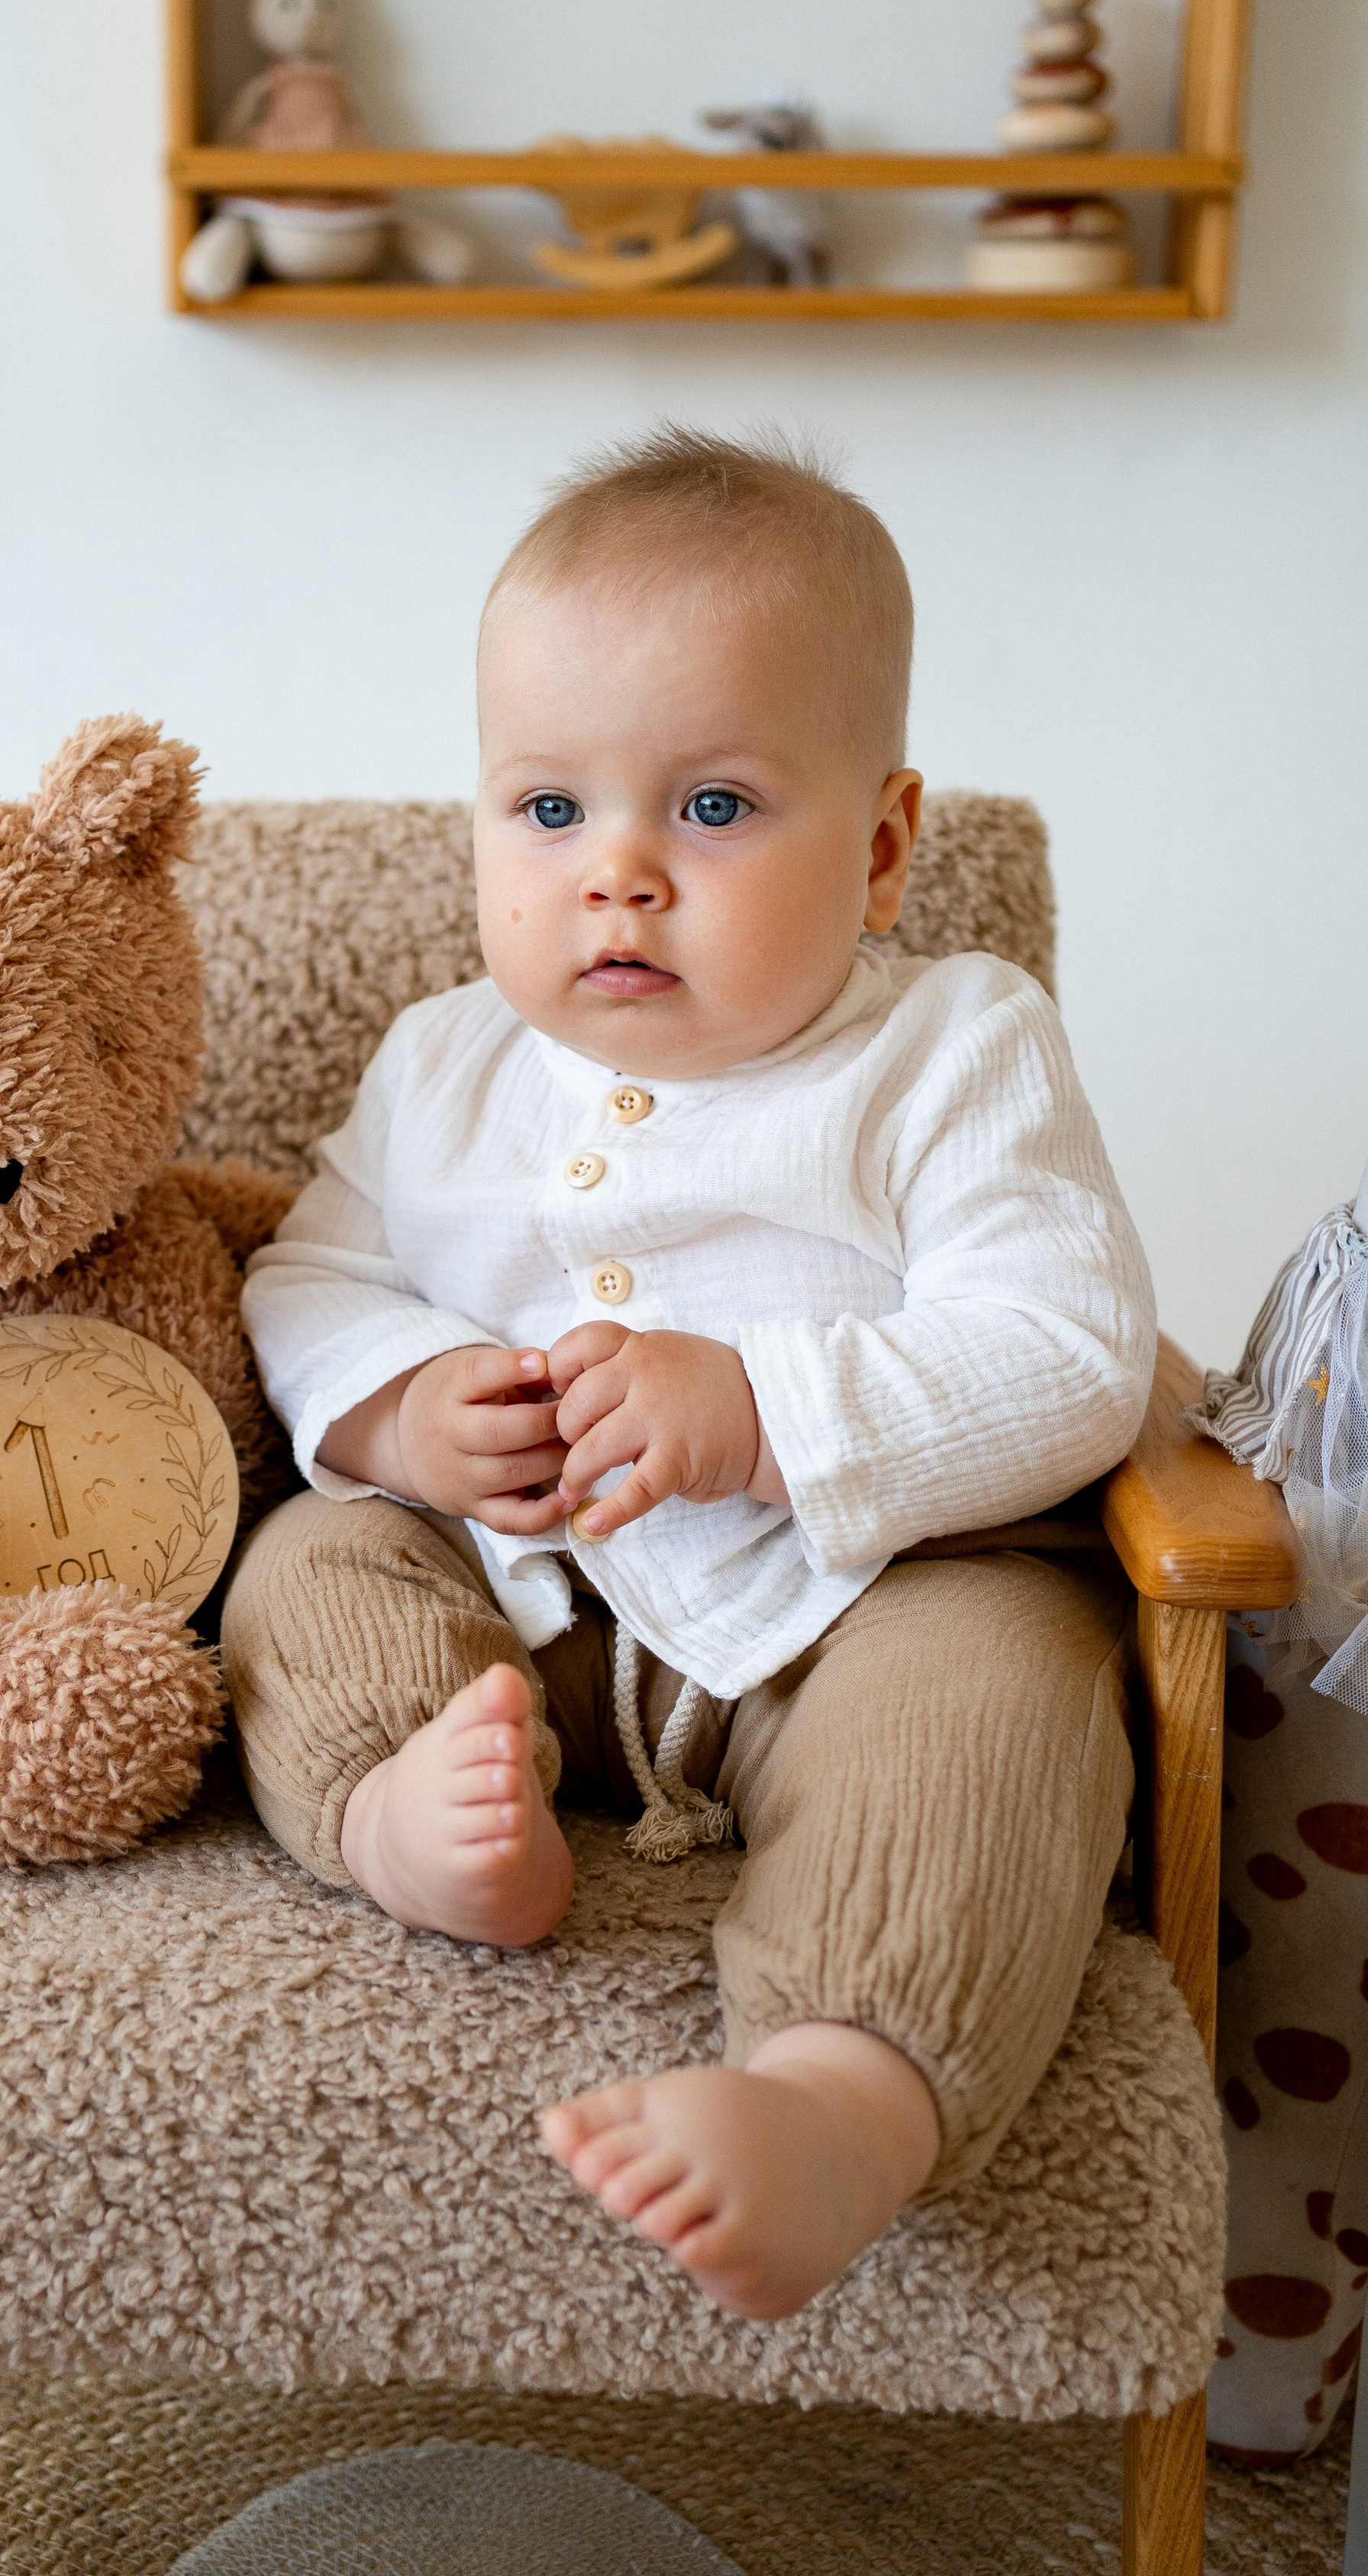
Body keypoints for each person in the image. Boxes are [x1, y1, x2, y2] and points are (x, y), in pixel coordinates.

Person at [222, 425, 1154, 2321]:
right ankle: (404, 1806)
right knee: (309, 1566)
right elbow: (305, 1274)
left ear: (882, 843)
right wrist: (403, 1407)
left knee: (1002, 1703)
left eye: (713, 810)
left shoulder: (951, 1049)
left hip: (863, 1607)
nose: (617, 876)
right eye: (546, 812)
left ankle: (840, 2088)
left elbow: (1068, 1347)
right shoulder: (440, 1064)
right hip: (531, 1610)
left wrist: (762, 1410)